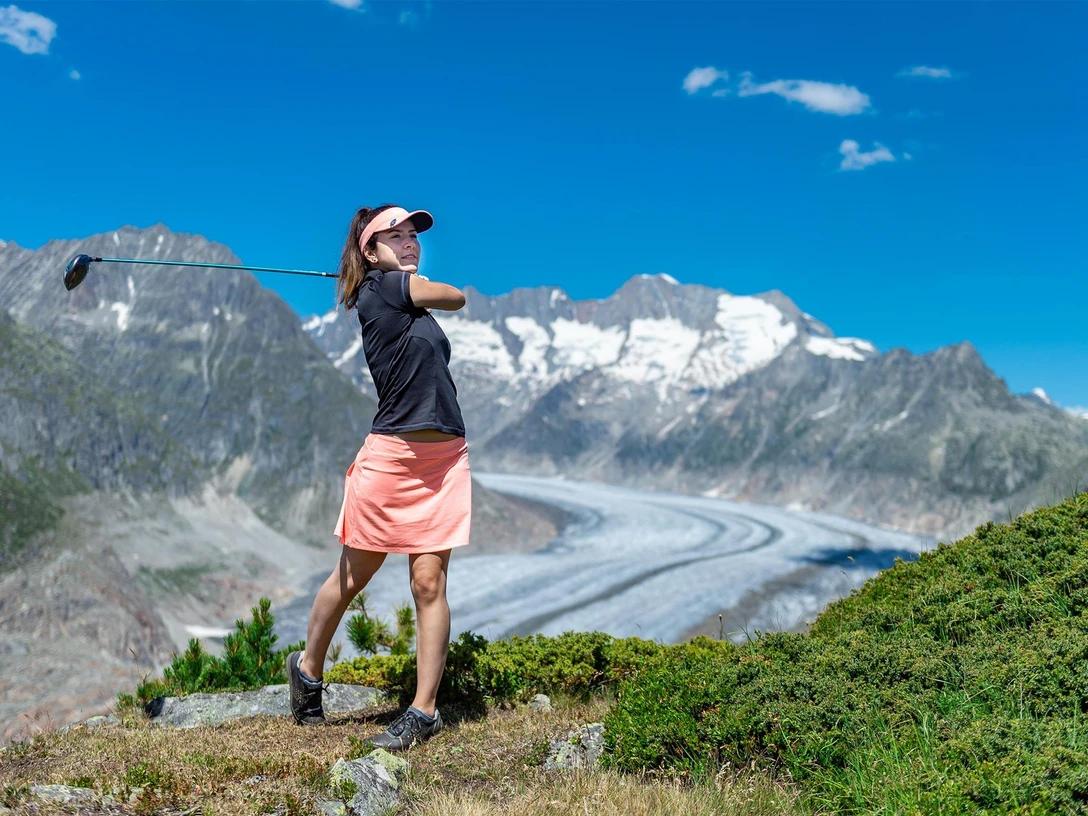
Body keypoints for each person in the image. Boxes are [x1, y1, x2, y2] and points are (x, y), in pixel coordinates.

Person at [285, 204, 470, 751]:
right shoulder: (385, 290)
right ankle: (308, 670)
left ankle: (424, 711)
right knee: (352, 575)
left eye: (414, 235)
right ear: (370, 250)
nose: (411, 242)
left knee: (429, 583)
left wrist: (407, 280)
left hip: (444, 459)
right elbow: (456, 296)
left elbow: (439, 305)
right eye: (397, 235)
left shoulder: (400, 295)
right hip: (392, 457)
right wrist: (405, 279)